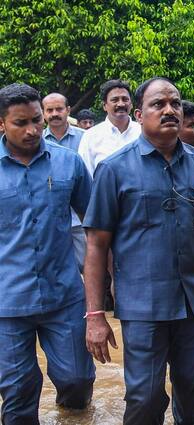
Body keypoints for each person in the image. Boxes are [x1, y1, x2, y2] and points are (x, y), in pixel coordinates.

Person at [82, 77, 194, 425]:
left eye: (175, 103)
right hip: (143, 306)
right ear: (139, 114)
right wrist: (95, 316)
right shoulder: (113, 169)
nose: (169, 110)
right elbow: (97, 245)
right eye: (158, 104)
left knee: (193, 396)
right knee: (144, 398)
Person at [0, 83, 95, 424]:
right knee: (18, 390)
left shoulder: (69, 164)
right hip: (7, 302)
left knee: (78, 380)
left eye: (37, 120)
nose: (32, 130)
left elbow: (95, 227)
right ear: (1, 124)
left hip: (63, 294)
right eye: (20, 123)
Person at [42, 93, 87, 272]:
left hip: (81, 219)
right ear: (43, 113)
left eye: (59, 109)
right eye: (49, 110)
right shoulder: (37, 142)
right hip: (51, 219)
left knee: (88, 266)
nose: (54, 114)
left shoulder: (86, 138)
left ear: (68, 110)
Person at [78, 79, 141, 176]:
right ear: (104, 106)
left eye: (125, 99)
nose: (121, 104)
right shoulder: (90, 136)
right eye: (115, 100)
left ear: (131, 104)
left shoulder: (143, 132)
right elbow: (86, 176)